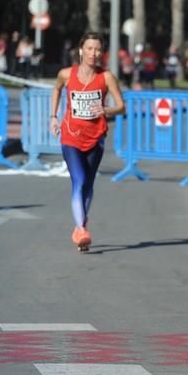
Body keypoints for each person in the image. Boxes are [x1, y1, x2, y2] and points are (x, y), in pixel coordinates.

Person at [49, 32, 125, 251]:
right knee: (79, 180)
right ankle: (81, 229)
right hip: (71, 136)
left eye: (98, 49)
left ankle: (81, 225)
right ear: (81, 50)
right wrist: (53, 117)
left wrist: (106, 109)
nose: (94, 53)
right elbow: (56, 89)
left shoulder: (107, 77)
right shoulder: (66, 74)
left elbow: (122, 106)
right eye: (90, 48)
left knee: (89, 185)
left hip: (96, 137)